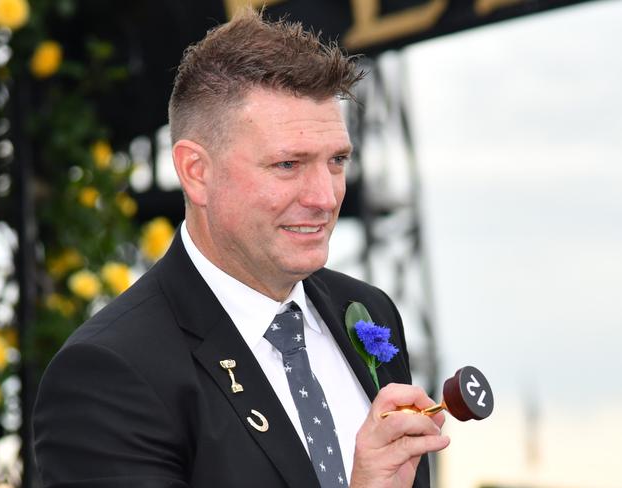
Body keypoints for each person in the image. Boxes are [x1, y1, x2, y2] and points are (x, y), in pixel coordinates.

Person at [33, 9, 449, 488]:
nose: (325, 196)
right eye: (288, 164)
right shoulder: (109, 373)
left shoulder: (368, 312)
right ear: (196, 172)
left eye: (336, 160)